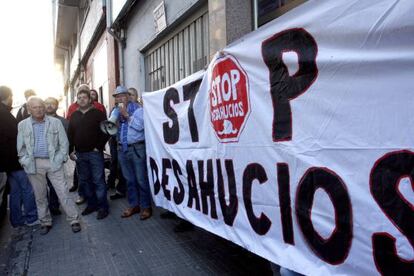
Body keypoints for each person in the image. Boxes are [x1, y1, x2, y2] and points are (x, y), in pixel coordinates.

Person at [17, 96, 81, 235]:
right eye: (35, 107)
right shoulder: (22, 125)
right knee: (40, 196)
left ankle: (74, 219)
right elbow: (20, 148)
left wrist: (59, 159)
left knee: (63, 192)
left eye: (41, 106)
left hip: (53, 162)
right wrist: (25, 161)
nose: (39, 109)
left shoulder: (55, 122)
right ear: (29, 110)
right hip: (34, 164)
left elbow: (64, 144)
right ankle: (45, 221)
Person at [68, 85, 109, 220]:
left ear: (89, 99)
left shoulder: (98, 113)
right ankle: (92, 204)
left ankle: (103, 207)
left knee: (98, 180)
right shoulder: (74, 115)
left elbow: (106, 131)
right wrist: (70, 151)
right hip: (80, 154)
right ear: (77, 100)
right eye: (79, 98)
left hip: (94, 153)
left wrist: (98, 147)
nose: (81, 100)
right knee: (85, 180)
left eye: (84, 97)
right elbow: (70, 134)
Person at [0, 86, 38, 227]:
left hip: (6, 163)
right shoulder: (4, 114)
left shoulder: (5, 112)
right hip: (15, 161)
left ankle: (16, 220)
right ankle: (32, 218)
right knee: (27, 189)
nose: (12, 99)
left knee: (15, 191)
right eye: (11, 96)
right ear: (7, 96)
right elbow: (17, 136)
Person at [112, 85, 151, 220]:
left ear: (127, 96)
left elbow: (141, 127)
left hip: (137, 148)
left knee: (141, 179)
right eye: (117, 97)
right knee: (129, 180)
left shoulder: (139, 109)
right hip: (123, 149)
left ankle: (146, 207)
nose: (119, 98)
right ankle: (134, 205)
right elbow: (113, 130)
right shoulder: (115, 111)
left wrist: (126, 115)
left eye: (121, 95)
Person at [44, 97, 69, 215]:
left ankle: (54, 206)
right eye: (47, 104)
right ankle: (44, 208)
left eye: (52, 104)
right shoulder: (38, 121)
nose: (49, 106)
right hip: (41, 159)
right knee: (42, 186)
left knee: (55, 185)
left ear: (56, 106)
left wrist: (63, 157)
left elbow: (67, 141)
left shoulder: (63, 122)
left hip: (56, 159)